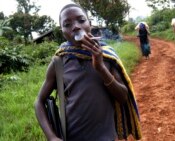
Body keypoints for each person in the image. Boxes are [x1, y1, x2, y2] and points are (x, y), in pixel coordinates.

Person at [34, 3, 141, 141]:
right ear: (62, 32)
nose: (76, 26)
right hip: (73, 136)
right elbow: (39, 101)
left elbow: (123, 97)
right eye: (67, 24)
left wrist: (101, 67)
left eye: (81, 20)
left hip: (107, 137)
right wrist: (52, 137)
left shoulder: (106, 55)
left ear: (89, 24)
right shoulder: (59, 61)